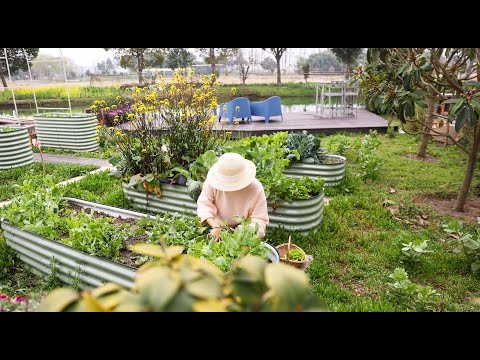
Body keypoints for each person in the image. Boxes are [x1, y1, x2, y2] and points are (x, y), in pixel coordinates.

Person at [197, 152, 269, 240]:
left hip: (245, 226)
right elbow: (204, 206)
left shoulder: (256, 188)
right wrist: (216, 227)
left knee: (256, 233)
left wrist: (240, 232)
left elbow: (259, 218)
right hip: (219, 225)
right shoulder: (210, 184)